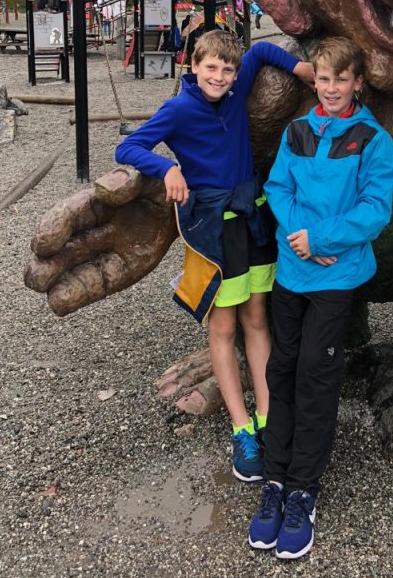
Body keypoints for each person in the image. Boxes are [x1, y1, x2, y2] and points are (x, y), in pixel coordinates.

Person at [115, 30, 315, 482]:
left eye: (227, 69)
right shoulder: (180, 108)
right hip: (211, 228)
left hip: (251, 217)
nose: (220, 76)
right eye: (211, 68)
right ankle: (241, 428)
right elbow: (128, 146)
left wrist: (301, 70)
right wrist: (167, 167)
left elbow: (263, 49)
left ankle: (267, 416)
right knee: (223, 324)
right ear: (193, 66)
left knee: (257, 318)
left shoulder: (236, 86)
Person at [247, 37, 393, 560]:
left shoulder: (373, 140)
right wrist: (303, 238)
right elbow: (278, 188)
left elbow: (375, 207)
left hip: (336, 278)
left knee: (316, 372)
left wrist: (325, 240)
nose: (331, 88)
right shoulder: (297, 131)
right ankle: (275, 478)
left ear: (358, 82)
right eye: (323, 79)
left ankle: (304, 488)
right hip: (293, 270)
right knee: (281, 368)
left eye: (341, 79)